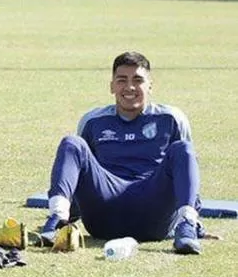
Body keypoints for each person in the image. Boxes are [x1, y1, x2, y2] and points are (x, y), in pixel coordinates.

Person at [38, 52, 203, 254]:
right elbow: (80, 173)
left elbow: (185, 167)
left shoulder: (171, 118)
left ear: (150, 85)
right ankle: (57, 220)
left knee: (183, 148)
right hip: (104, 213)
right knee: (72, 143)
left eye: (138, 80)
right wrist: (70, 215)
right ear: (112, 86)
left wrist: (195, 216)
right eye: (122, 80)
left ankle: (187, 225)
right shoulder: (92, 121)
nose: (130, 87)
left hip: (153, 214)